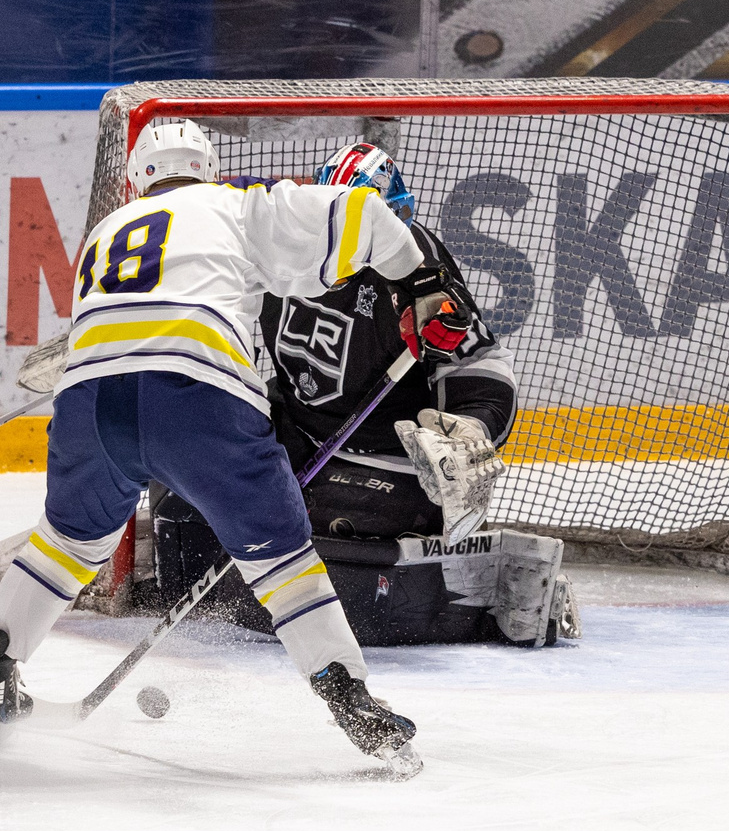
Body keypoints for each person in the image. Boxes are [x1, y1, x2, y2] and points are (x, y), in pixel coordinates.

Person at [0, 119, 467, 771]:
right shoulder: (236, 204)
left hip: (89, 400)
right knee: (280, 558)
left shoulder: (105, 235)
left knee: (69, 543)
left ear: (136, 180)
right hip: (198, 395)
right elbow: (362, 211)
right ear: (209, 166)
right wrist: (421, 283)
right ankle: (351, 699)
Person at [148, 141, 575, 650]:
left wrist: (472, 426)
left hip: (386, 461)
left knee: (322, 530)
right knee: (176, 446)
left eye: (392, 219)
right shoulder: (275, 240)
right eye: (380, 219)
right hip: (299, 434)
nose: (388, 235)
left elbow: (477, 357)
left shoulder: (418, 261)